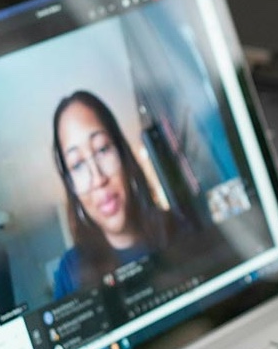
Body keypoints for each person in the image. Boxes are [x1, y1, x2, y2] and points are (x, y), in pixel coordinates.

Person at [50, 89, 187, 299]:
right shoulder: (70, 273)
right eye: (77, 164)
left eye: (102, 149)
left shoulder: (179, 226)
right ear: (72, 187)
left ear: (123, 155)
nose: (97, 178)